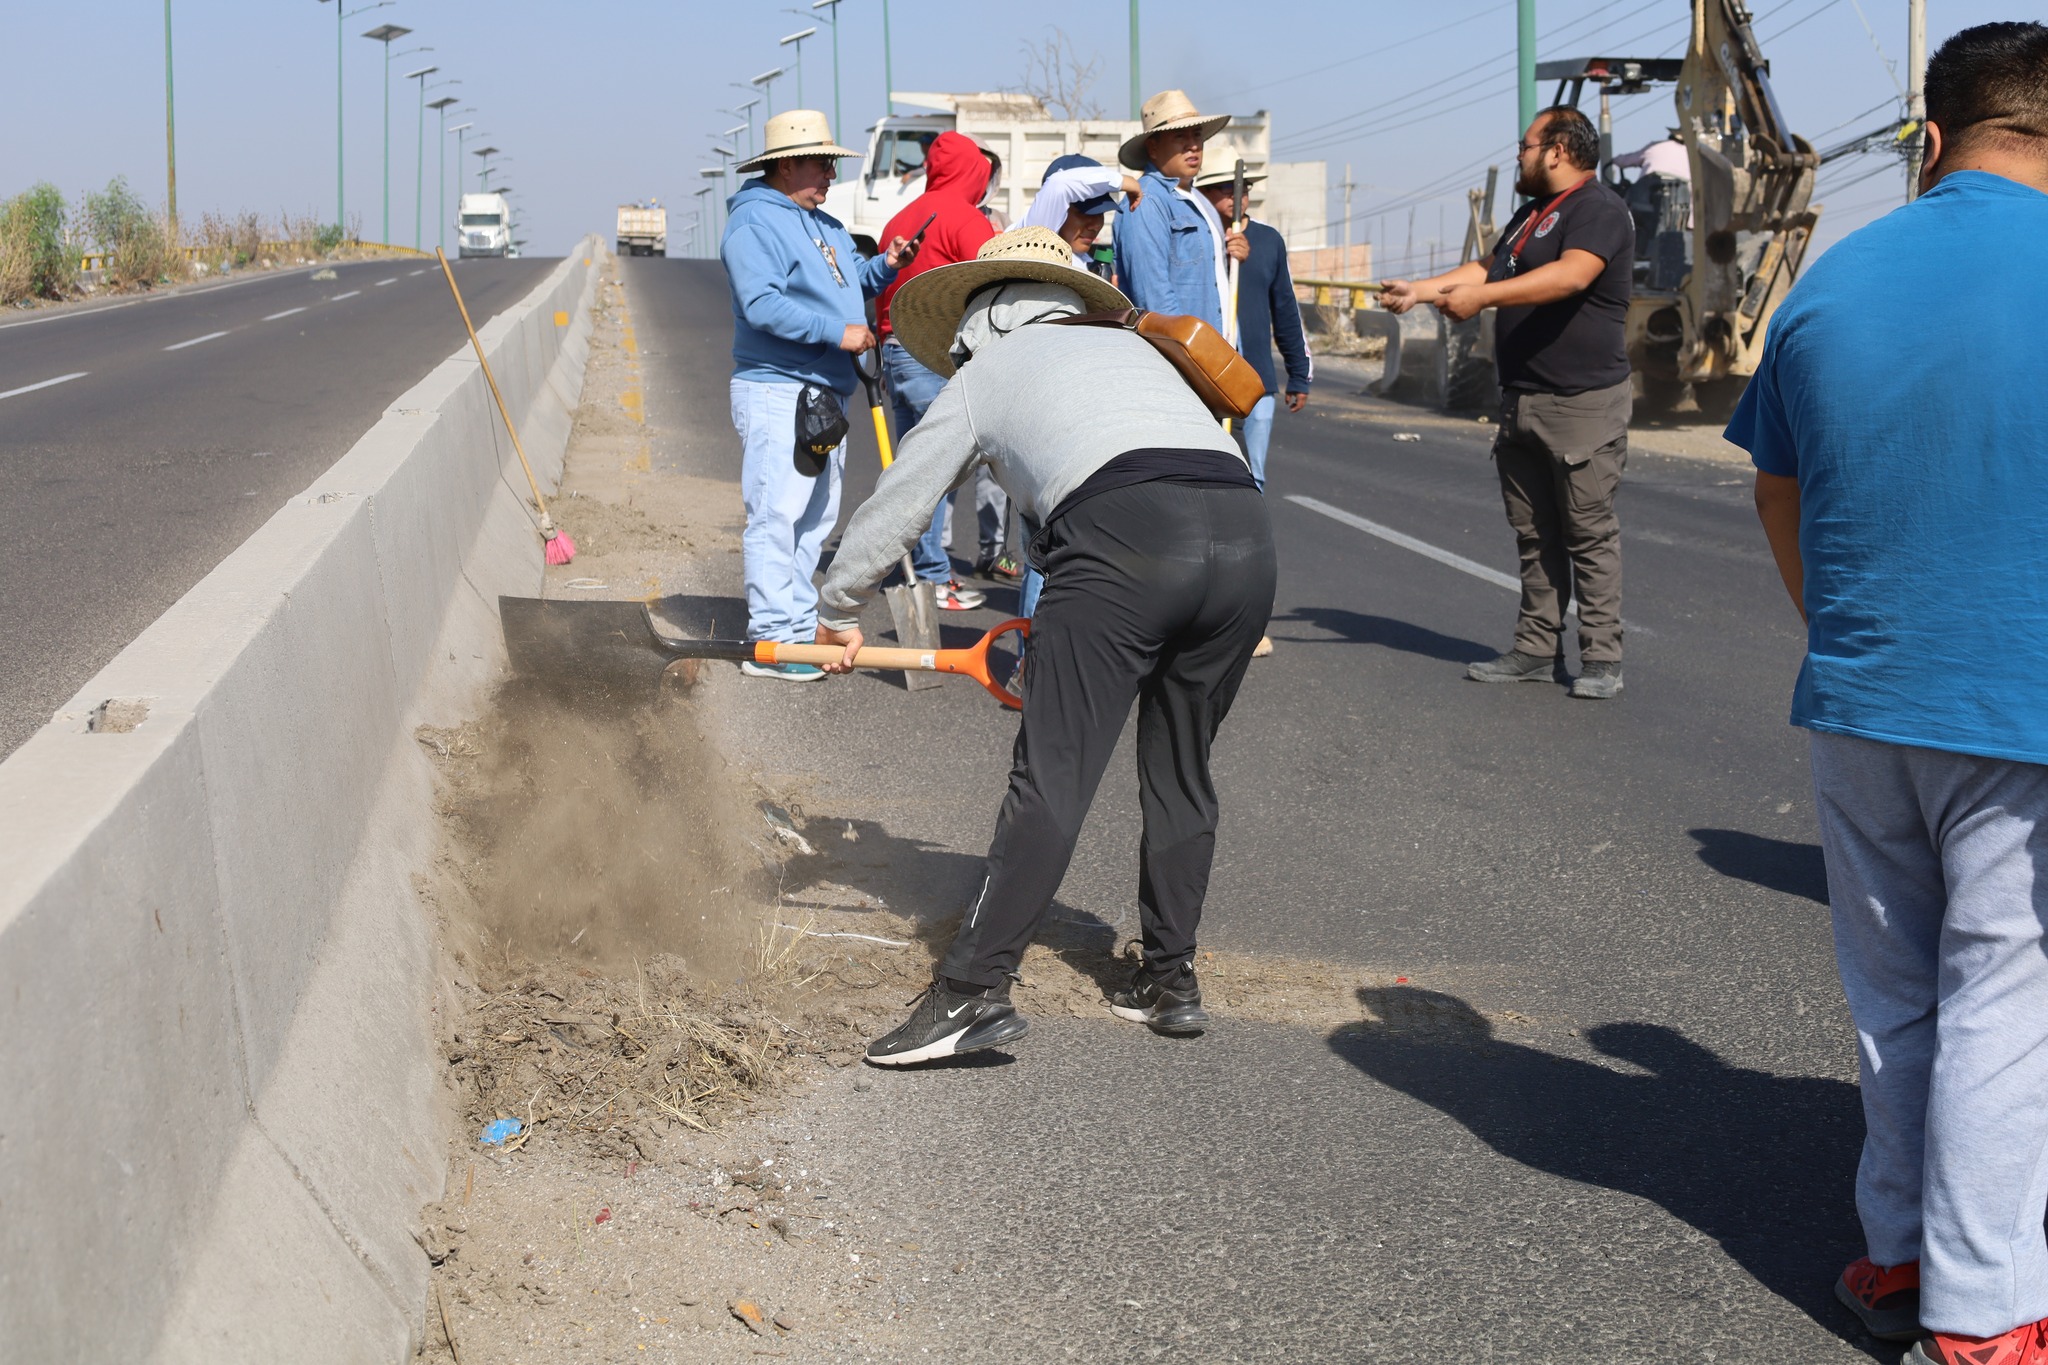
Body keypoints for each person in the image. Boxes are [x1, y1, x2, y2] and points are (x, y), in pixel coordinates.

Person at [1725, 23, 2048, 1365]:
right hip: (2021, 709)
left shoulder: (1832, 284)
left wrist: (1848, 633)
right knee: (2006, 1002)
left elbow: (1777, 484)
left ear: (1931, 139)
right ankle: (1982, 1317)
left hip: (1861, 692)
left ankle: (1899, 1248)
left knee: (1900, 992)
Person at [813, 228, 1276, 1065]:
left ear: (982, 320)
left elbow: (900, 501)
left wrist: (839, 608)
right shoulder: (1141, 351)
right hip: (1244, 538)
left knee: (1053, 775)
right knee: (1181, 768)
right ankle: (1169, 979)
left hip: (1124, 536)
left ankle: (969, 992)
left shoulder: (990, 371)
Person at [1381, 104, 1635, 700]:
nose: (1518, 155)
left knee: (1588, 533)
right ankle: (1535, 650)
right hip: (1523, 398)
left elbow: (1570, 277)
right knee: (1534, 534)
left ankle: (1602, 659)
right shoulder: (1531, 214)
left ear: (1557, 150)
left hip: (1582, 404)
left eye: (1525, 145)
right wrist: (1421, 291)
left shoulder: (1598, 210)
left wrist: (1483, 299)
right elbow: (1486, 267)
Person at [720, 110, 918, 681]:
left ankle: (798, 622)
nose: (831, 172)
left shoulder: (821, 223)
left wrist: (887, 265)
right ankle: (771, 640)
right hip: (779, 387)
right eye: (820, 162)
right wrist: (839, 332)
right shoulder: (756, 223)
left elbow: (853, 279)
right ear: (785, 166)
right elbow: (760, 304)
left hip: (822, 392)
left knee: (815, 514)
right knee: (777, 513)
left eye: (832, 162)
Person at [874, 131, 995, 607]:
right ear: (973, 173)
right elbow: (995, 279)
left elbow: (882, 287)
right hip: (934, 355)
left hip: (894, 350)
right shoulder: (966, 219)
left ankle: (916, 574)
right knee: (937, 474)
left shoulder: (898, 219)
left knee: (913, 472)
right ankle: (931, 576)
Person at [1192, 168, 1312, 491]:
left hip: (1256, 379)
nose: (1237, 196)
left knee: (1252, 474)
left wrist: (1299, 373)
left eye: (1243, 189)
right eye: (1226, 189)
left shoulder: (1269, 241)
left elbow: (1286, 309)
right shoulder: (1196, 238)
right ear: (1204, 193)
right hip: (1205, 377)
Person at [1113, 89, 1247, 330]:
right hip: (1186, 356)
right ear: (1153, 148)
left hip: (1217, 350)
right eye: (1180, 136)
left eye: (1197, 135)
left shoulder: (1199, 200)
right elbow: (1154, 298)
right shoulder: (1147, 201)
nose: (1193, 145)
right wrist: (1189, 352)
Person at [1023, 153, 1142, 277]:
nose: (1095, 226)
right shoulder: (1033, 239)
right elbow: (1058, 185)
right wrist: (1122, 180)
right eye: (1084, 213)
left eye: (1100, 213)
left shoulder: (1084, 261)